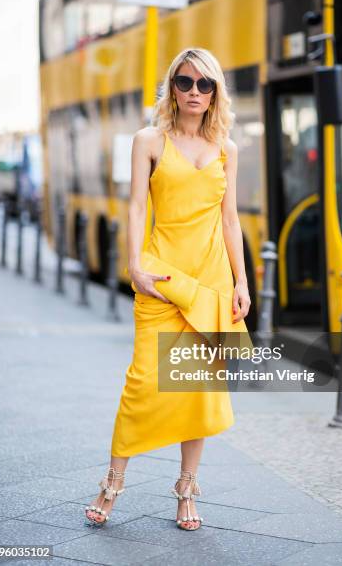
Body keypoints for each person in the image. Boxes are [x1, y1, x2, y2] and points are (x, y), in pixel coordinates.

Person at [84, 47, 251, 531]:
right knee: (142, 384)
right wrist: (134, 265)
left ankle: (186, 491)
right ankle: (111, 485)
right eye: (185, 82)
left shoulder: (227, 149)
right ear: (171, 87)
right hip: (161, 279)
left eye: (205, 84)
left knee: (196, 390)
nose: (195, 92)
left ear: (216, 91)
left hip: (212, 281)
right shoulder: (148, 140)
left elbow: (230, 218)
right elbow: (137, 207)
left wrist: (241, 282)